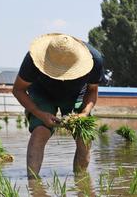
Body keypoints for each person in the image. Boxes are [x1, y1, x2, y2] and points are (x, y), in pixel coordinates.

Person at [12, 33, 104, 178]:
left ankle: (80, 181)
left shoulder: (95, 59)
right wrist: (40, 113)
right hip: (42, 92)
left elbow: (92, 91)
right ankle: (33, 185)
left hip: (76, 94)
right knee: (40, 131)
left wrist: (84, 113)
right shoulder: (32, 59)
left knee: (84, 137)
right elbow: (18, 89)